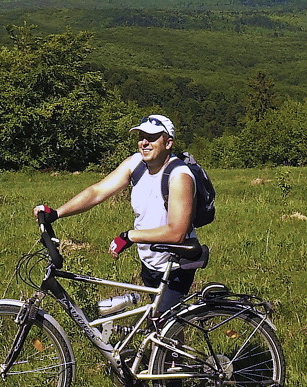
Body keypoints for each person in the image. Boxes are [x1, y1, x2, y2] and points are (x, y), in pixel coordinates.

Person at [34, 114, 198, 313]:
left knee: (162, 324)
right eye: (141, 136)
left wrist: (129, 236)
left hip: (175, 264)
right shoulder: (137, 163)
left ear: (168, 142)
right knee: (158, 324)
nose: (144, 142)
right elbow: (97, 192)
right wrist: (57, 213)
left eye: (152, 137)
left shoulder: (179, 176)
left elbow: (176, 233)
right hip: (150, 259)